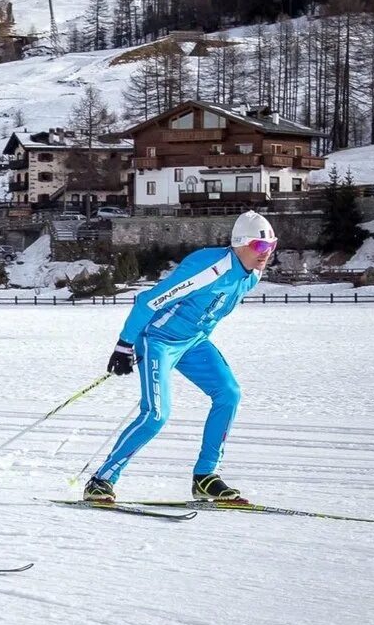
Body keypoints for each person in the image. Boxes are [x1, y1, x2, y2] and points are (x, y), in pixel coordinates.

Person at [83, 211, 276, 504]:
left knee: (229, 394)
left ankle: (206, 477)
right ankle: (102, 480)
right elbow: (148, 301)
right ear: (239, 244)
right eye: (260, 246)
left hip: (193, 343)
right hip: (158, 341)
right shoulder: (209, 268)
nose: (266, 253)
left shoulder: (252, 275)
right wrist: (125, 345)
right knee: (156, 415)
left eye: (272, 245)